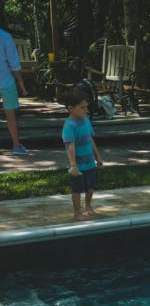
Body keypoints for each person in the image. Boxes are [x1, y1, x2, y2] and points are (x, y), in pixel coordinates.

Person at [62, 88, 104, 220]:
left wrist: (98, 156)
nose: (86, 110)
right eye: (82, 107)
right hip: (78, 165)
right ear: (70, 108)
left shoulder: (86, 121)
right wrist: (73, 165)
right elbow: (70, 146)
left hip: (90, 162)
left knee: (91, 187)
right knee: (77, 190)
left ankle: (88, 206)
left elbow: (90, 139)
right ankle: (77, 213)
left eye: (86, 107)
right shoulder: (69, 126)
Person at [0, 25, 28, 155]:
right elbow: (14, 63)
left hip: (6, 80)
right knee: (10, 115)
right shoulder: (5, 36)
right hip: (6, 80)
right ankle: (16, 146)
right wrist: (21, 83)